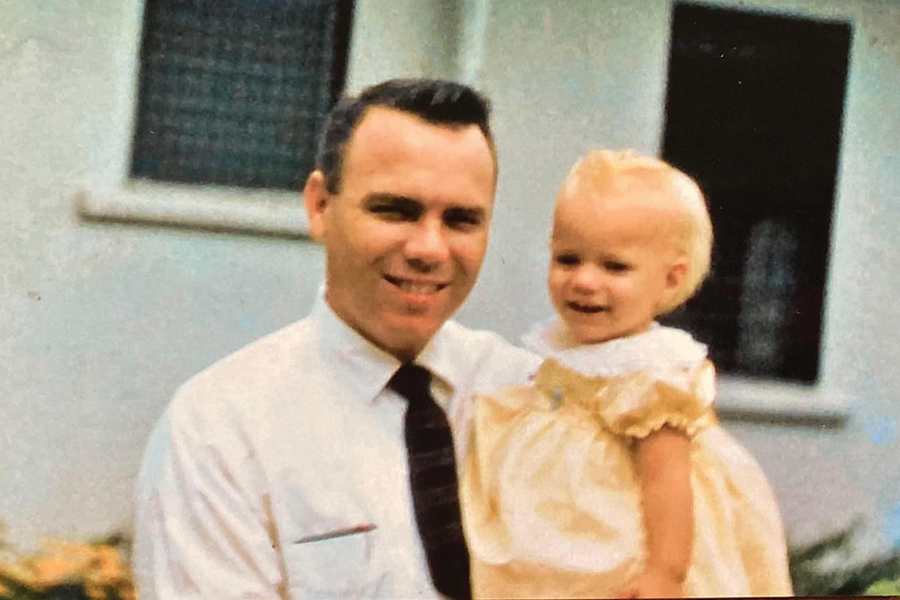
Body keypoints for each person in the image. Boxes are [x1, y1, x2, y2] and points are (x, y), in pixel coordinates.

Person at [133, 78, 541, 600]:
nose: (429, 249)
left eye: (461, 220)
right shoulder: (220, 429)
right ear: (320, 205)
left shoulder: (530, 396)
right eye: (396, 210)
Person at [460, 149, 793, 598]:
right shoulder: (564, 348)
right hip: (555, 519)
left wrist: (665, 571)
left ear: (671, 279)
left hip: (619, 532)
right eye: (568, 259)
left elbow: (666, 482)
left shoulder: (650, 371)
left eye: (614, 266)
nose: (584, 281)